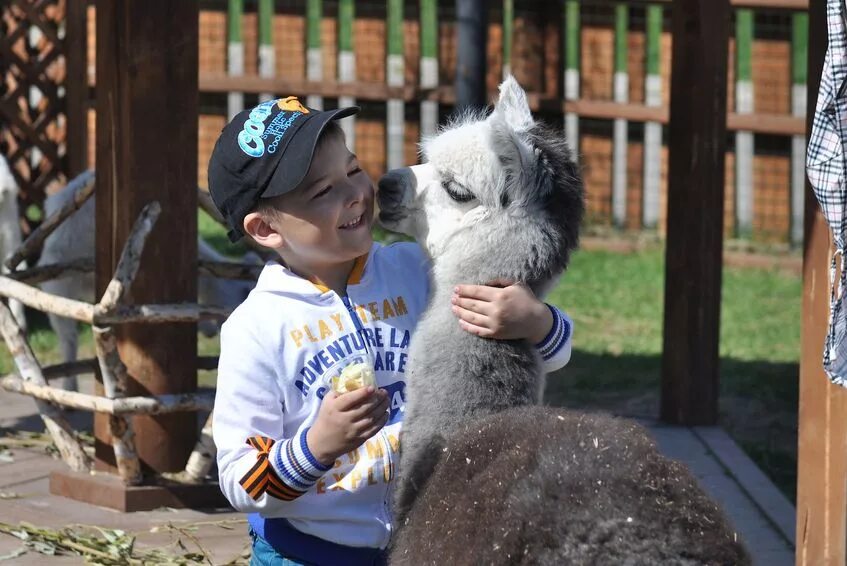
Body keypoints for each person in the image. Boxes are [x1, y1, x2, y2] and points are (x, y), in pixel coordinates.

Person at [208, 96, 575, 566]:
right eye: (324, 192)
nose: (356, 193)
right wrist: (315, 446)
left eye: (353, 169)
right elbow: (242, 479)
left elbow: (552, 352)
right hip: (310, 554)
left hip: (418, 544)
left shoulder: (417, 272)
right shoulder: (257, 329)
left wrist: (536, 321)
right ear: (264, 228)